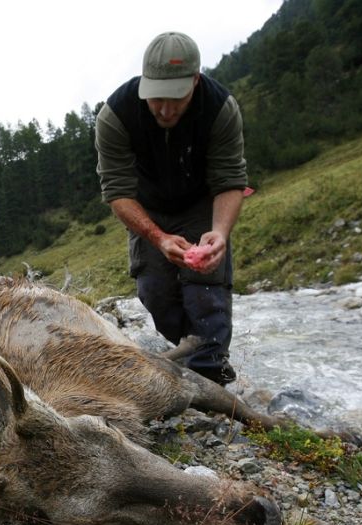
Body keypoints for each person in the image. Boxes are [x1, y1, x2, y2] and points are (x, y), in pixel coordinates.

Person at [95, 31, 248, 385]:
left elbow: (230, 180)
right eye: (156, 98)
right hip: (146, 209)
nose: (165, 110)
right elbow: (117, 191)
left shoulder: (220, 109)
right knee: (155, 293)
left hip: (200, 203)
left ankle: (211, 372)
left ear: (195, 80)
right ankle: (191, 351)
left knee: (206, 291)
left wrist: (220, 233)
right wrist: (158, 237)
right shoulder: (116, 115)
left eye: (176, 98)